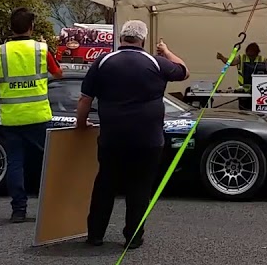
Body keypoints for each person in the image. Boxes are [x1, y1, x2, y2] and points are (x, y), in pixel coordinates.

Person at [76, 20, 188, 249]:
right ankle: (133, 237)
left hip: (112, 137)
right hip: (148, 139)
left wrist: (80, 124)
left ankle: (95, 234)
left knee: (105, 185)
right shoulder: (156, 63)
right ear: (143, 40)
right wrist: (166, 52)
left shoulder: (103, 61)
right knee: (140, 188)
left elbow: (85, 98)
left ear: (121, 39)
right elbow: (183, 72)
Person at [0, 7, 63, 223]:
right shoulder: (41, 50)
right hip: (38, 116)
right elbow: (58, 73)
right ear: (32, 27)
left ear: (11, 28)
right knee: (48, 163)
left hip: (12, 118)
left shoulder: (0, 53)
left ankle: (18, 210)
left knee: (15, 163)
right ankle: (52, 207)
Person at [216, 42, 264, 110]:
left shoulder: (262, 59)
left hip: (258, 92)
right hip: (243, 90)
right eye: (249, 55)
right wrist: (222, 58)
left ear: (257, 53)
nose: (250, 57)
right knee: (244, 112)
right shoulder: (241, 58)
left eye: (252, 56)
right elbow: (230, 62)